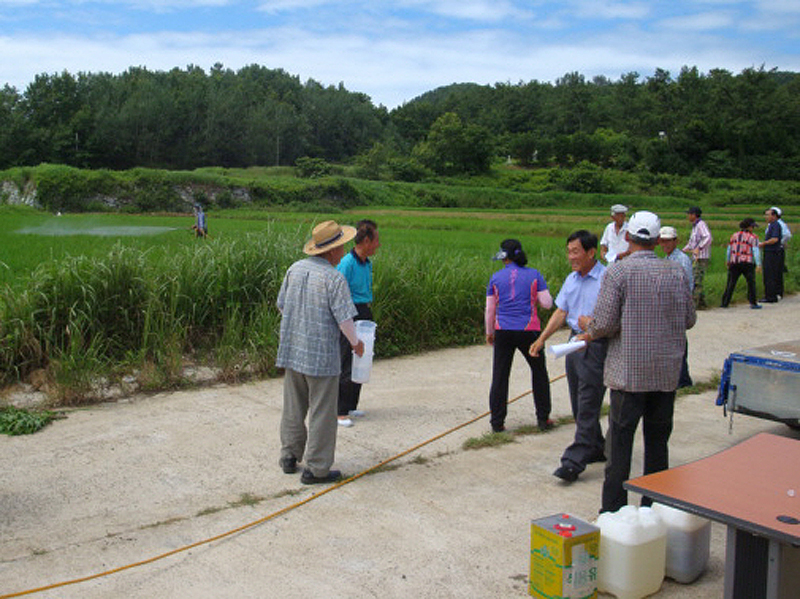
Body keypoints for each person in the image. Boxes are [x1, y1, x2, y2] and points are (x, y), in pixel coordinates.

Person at [578, 211, 696, 513]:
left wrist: (587, 324)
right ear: (657, 241)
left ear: (628, 237)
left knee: (619, 447)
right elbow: (689, 320)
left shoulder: (618, 273)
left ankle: (614, 512)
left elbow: (603, 324)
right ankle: (653, 509)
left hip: (628, 375)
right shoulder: (677, 273)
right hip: (665, 375)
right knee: (658, 444)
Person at [276, 220, 365, 485]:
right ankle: (316, 468)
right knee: (322, 412)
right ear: (332, 251)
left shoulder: (295, 269)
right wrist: (356, 344)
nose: (344, 250)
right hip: (321, 357)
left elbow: (282, 305)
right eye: (341, 246)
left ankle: (289, 456)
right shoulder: (333, 278)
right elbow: (345, 320)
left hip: (293, 350)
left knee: (293, 407)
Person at [529, 230, 607, 483]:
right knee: (578, 400)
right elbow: (561, 312)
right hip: (574, 343)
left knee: (587, 401)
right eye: (569, 251)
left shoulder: (607, 279)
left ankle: (574, 460)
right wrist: (541, 339)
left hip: (596, 344)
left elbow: (615, 318)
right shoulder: (572, 279)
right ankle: (596, 446)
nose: (571, 257)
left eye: (575, 252)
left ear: (591, 252)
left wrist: (594, 326)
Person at [486, 239, 553, 433]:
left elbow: (490, 310)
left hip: (503, 330)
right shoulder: (534, 275)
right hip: (529, 330)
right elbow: (547, 303)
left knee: (500, 375)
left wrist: (490, 332)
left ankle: (497, 422)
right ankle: (543, 418)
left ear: (505, 258)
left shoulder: (496, 277)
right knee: (539, 372)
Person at [336, 219, 380, 427]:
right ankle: (340, 411)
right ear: (366, 241)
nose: (378, 245)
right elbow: (338, 292)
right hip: (349, 313)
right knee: (346, 360)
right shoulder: (347, 263)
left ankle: (352, 404)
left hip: (364, 310)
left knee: (362, 358)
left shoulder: (367, 263)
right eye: (376, 240)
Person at [658, 226, 694, 388]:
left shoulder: (681, 260)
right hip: (668, 307)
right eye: (662, 241)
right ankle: (679, 377)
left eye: (668, 241)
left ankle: (683, 380)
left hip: (677, 306)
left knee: (678, 343)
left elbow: (686, 286)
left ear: (676, 241)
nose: (664, 244)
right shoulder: (666, 259)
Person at [720, 218, 761, 310]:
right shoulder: (753, 237)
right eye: (752, 227)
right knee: (751, 283)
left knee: (730, 283)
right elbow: (755, 251)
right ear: (749, 227)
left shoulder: (734, 235)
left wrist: (728, 260)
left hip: (734, 262)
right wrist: (758, 264)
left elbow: (729, 249)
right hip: (747, 262)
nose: (753, 229)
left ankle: (725, 302)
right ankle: (753, 302)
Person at [683, 206, 712, 309]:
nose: (688, 216)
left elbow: (708, 237)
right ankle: (702, 303)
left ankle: (694, 304)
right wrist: (684, 249)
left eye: (689, 214)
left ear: (694, 215)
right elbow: (692, 243)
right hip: (695, 256)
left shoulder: (701, 224)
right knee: (695, 278)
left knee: (696, 280)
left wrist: (699, 248)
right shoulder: (695, 226)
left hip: (701, 257)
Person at [759, 208, 783, 303]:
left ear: (774, 216)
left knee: (770, 274)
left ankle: (770, 296)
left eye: (768, 215)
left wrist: (763, 243)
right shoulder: (772, 225)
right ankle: (770, 295)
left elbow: (775, 239)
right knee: (770, 274)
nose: (766, 217)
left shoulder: (775, 225)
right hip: (770, 252)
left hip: (772, 252)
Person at [771, 206, 792, 297]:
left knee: (776, 270)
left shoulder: (779, 224)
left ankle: (777, 292)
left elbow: (787, 235)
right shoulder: (774, 224)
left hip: (776, 249)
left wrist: (780, 242)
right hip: (776, 248)